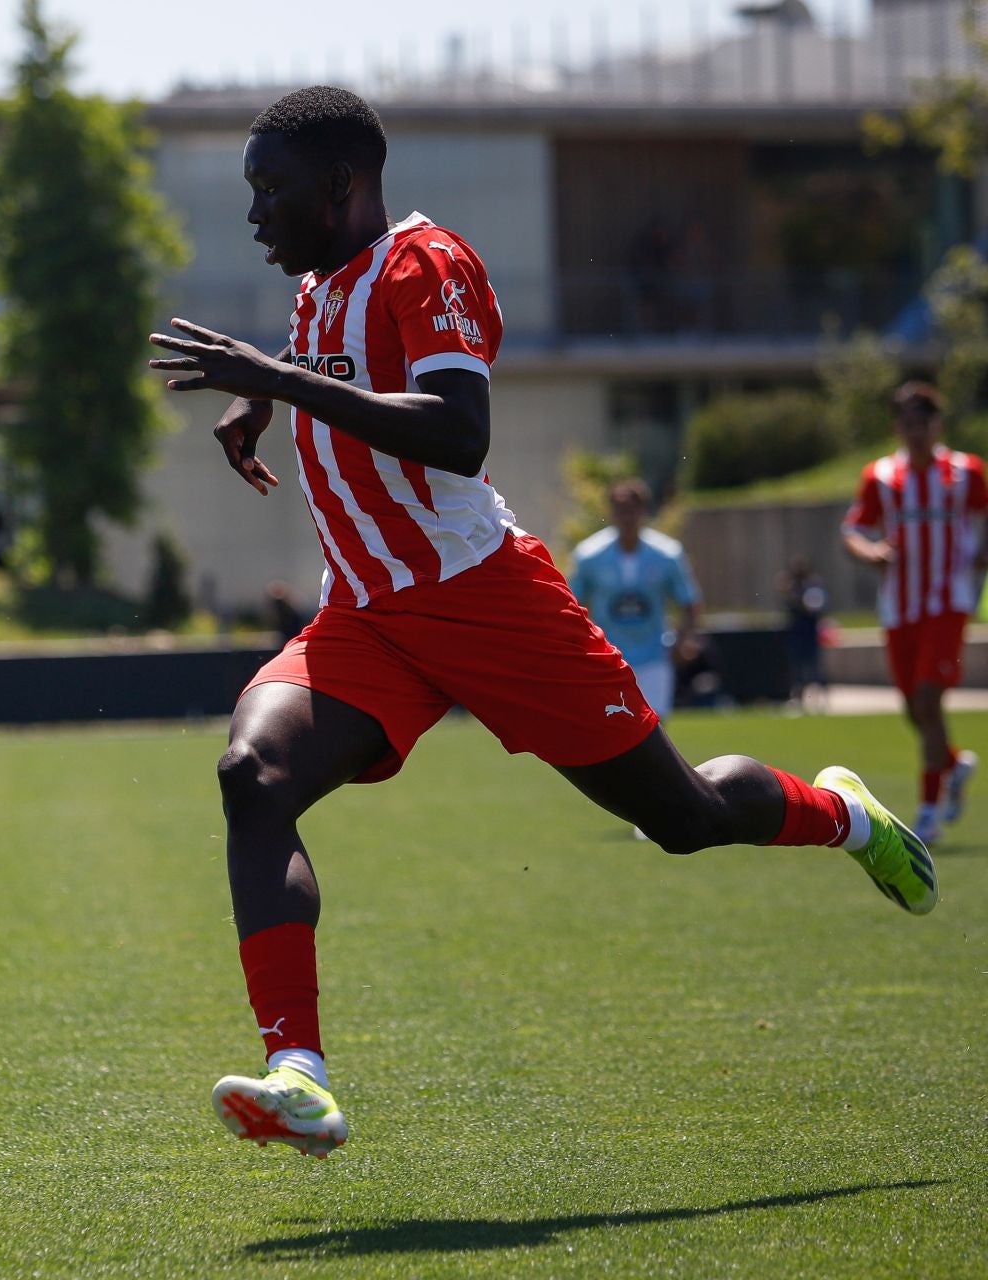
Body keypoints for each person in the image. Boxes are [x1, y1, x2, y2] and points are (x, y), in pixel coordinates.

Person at [145, 86, 936, 1163]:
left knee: (686, 816)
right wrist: (265, 399)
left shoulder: (426, 264)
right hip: (367, 616)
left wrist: (275, 379)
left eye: (267, 190)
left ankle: (843, 815)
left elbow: (457, 429)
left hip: (489, 602)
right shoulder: (321, 285)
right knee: (252, 775)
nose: (253, 215)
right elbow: (339, 376)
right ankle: (300, 1074)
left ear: (340, 185)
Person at [842, 381, 987, 845]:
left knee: (927, 700)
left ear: (936, 426)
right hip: (899, 607)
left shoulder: (965, 472)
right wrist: (871, 552)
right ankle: (953, 763)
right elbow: (853, 530)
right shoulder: (882, 476)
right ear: (897, 428)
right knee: (912, 708)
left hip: (948, 602)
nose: (916, 431)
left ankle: (927, 815)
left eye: (923, 422)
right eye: (907, 423)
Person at [569, 478, 702, 722]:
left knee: (655, 726)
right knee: (611, 725)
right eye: (620, 510)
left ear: (643, 511)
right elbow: (572, 604)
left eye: (631, 510)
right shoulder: (589, 555)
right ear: (611, 513)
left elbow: (689, 601)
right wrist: (582, 646)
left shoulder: (667, 554)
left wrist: (685, 639)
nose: (626, 518)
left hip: (654, 656)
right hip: (608, 658)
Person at [779, 555, 830, 713]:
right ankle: (798, 699)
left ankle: (821, 700)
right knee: (796, 670)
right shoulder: (792, 587)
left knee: (814, 669)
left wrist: (798, 598)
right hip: (796, 634)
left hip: (809, 634)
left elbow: (813, 607)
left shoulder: (813, 586)